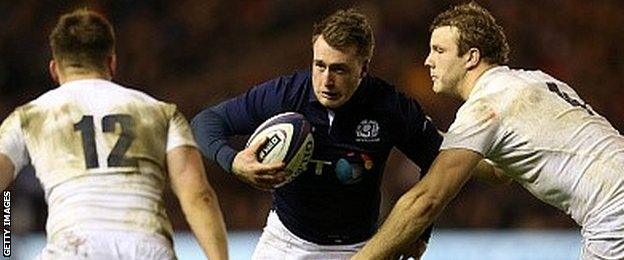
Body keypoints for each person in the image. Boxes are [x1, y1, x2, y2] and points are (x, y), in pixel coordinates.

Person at [192, 8, 503, 259]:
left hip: (360, 248)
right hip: (285, 242)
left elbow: (436, 161)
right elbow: (206, 122)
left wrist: (420, 234)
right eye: (319, 65)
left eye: (339, 69)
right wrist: (233, 161)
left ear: (363, 68)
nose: (326, 80)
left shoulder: (390, 106)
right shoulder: (285, 94)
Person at [353, 2, 624, 259]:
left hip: (614, 213)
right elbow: (500, 172)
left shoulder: (486, 105)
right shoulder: (538, 81)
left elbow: (426, 201)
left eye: (439, 50)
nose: (428, 61)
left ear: (471, 57)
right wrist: (429, 138)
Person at [0, 9, 228, 259]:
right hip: (147, 249)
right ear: (112, 62)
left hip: (74, 249)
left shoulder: (29, 117)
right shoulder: (161, 113)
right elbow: (199, 196)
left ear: (54, 69)